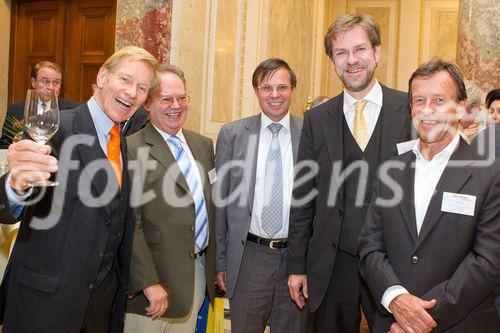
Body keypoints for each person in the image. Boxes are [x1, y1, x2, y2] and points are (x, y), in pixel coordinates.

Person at [0, 46, 159, 333]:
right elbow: (13, 200)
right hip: (45, 306)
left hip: (100, 309)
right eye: (125, 79)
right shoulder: (55, 128)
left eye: (142, 87)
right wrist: (16, 186)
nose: (132, 92)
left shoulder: (123, 143)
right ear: (101, 76)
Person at [286, 13, 412, 333]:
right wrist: (297, 266)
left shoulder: (410, 110)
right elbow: (304, 198)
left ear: (377, 52)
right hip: (331, 265)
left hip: (392, 263)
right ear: (331, 61)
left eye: (359, 49)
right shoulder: (316, 120)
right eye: (342, 53)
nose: (352, 60)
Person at [358, 57, 500, 333]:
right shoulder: (390, 171)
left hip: (459, 324)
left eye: (438, 100)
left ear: (460, 108)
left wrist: (421, 317)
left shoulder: (490, 173)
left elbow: (488, 261)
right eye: (419, 101)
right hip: (392, 323)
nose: (427, 110)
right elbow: (370, 246)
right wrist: (396, 299)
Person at [124, 64, 216, 332]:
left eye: (182, 97)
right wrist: (148, 283)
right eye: (166, 99)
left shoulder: (203, 146)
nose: (176, 105)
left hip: (196, 277)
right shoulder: (132, 148)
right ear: (148, 104)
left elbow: (211, 207)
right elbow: (132, 223)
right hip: (153, 287)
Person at [215, 58, 303, 333]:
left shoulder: (311, 132)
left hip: (296, 259)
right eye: (267, 88)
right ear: (256, 91)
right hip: (249, 257)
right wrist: (220, 261)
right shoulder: (232, 135)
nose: (275, 95)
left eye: (282, 87)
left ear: (292, 90)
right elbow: (221, 203)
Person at [0, 61, 79, 147]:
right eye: (45, 81)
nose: (51, 87)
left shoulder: (74, 110)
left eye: (56, 82)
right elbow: (4, 145)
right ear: (34, 82)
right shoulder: (15, 109)